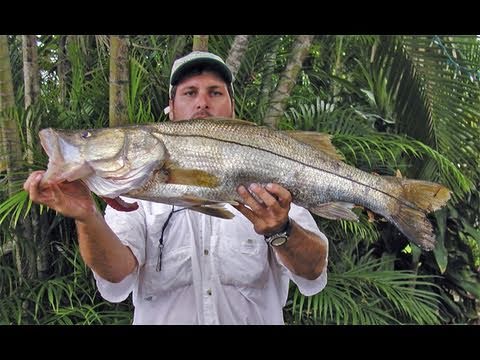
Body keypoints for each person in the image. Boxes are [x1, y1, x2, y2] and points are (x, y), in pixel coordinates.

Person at [23, 51, 329, 325]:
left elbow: (313, 270)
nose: (202, 102)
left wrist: (282, 230)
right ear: (171, 106)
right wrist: (87, 215)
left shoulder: (271, 181)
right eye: (190, 92)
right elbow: (117, 276)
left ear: (232, 106)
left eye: (215, 92)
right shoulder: (134, 195)